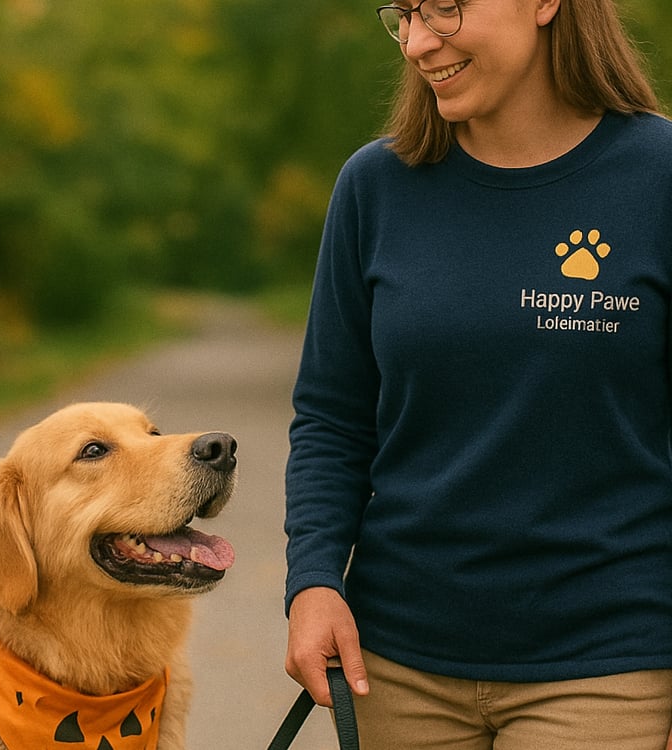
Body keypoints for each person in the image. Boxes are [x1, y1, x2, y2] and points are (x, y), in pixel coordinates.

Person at [283, 0, 672, 748]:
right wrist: (314, 582)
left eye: (446, 9)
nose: (417, 43)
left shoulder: (657, 177)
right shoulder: (376, 186)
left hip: (606, 669)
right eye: (402, 14)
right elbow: (334, 418)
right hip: (396, 664)